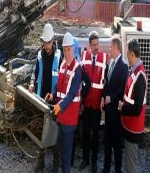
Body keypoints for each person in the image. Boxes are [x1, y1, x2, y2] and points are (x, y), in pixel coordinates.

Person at [46, 32, 82, 173]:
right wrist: (52, 95)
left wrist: (59, 106)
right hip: (60, 115)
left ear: (73, 49)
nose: (67, 53)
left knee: (66, 155)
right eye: (65, 50)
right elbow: (58, 88)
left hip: (69, 118)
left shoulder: (77, 68)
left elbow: (72, 93)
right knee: (57, 149)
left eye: (69, 49)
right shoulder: (62, 65)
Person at [29, 23, 61, 172]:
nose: (46, 45)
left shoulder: (58, 55)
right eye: (44, 42)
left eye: (48, 42)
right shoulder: (40, 55)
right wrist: (31, 84)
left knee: (55, 131)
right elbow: (35, 72)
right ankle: (40, 161)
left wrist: (55, 94)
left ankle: (55, 165)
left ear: (53, 41)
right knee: (40, 129)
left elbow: (61, 79)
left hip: (54, 100)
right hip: (41, 98)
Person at [79, 31, 108, 173]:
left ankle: (94, 161)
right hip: (86, 104)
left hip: (97, 105)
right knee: (85, 132)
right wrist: (81, 102)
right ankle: (85, 159)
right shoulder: (84, 57)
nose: (97, 47)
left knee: (95, 134)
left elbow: (106, 82)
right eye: (94, 45)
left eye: (98, 44)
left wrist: (104, 97)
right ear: (89, 45)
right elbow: (80, 81)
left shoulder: (104, 58)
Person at [118, 38, 147, 173]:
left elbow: (137, 109)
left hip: (133, 129)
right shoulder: (134, 70)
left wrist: (122, 107)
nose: (126, 56)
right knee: (129, 161)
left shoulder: (139, 76)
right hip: (129, 126)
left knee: (131, 165)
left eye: (127, 53)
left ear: (132, 54)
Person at [100, 36, 128, 173]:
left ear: (116, 48)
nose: (109, 49)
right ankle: (106, 168)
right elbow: (106, 83)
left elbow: (122, 87)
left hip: (116, 113)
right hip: (108, 111)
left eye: (110, 46)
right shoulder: (110, 63)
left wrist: (112, 97)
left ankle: (117, 169)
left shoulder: (123, 66)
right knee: (107, 141)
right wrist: (103, 97)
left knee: (117, 144)